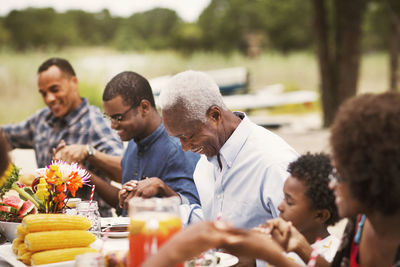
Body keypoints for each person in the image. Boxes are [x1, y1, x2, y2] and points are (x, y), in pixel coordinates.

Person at [159, 70, 298, 228]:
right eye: (177, 138)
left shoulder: (273, 164)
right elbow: (216, 222)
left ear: (215, 116)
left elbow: (300, 243)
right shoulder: (205, 165)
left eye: (188, 136)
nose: (184, 148)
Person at [0, 57, 124, 216]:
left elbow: (123, 170)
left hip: (89, 221)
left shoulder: (96, 123)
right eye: (43, 93)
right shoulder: (41, 120)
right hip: (47, 220)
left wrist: (89, 152)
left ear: (74, 82)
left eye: (55, 89)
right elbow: (6, 134)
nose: (49, 98)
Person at [102, 71, 200, 215]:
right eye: (110, 118)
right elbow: (125, 210)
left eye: (118, 117)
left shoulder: (178, 147)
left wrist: (162, 188)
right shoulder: (133, 143)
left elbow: (195, 210)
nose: (113, 125)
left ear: (144, 107)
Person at [262, 152, 340, 265]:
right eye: (283, 198)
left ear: (320, 215)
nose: (280, 207)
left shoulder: (332, 255)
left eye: (289, 202)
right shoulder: (280, 241)